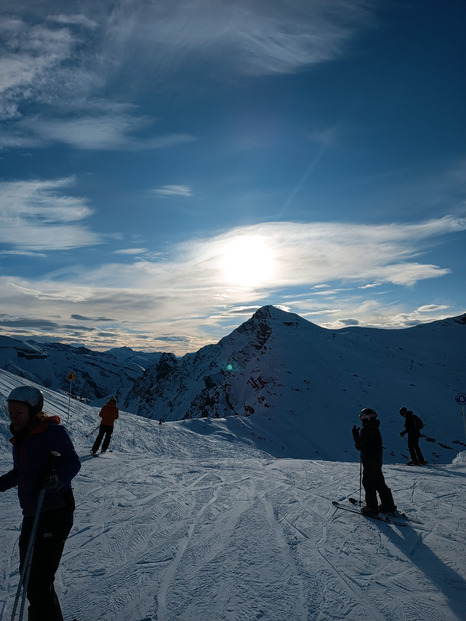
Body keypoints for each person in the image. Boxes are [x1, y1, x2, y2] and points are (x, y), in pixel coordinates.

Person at [0, 385, 81, 621]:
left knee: (38, 581)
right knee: (30, 577)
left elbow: (72, 463)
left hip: (55, 510)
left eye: (18, 412)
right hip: (32, 512)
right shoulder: (21, 437)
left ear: (33, 412)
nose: (13, 416)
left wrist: (58, 478)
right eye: (10, 411)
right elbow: (20, 472)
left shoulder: (52, 432)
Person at [352, 408, 396, 515]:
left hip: (369, 459)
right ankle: (388, 505)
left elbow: (360, 446)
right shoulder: (375, 427)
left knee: (368, 482)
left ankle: (371, 508)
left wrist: (355, 436)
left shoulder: (366, 429)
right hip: (377, 459)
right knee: (379, 482)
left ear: (367, 417)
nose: (362, 419)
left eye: (363, 417)